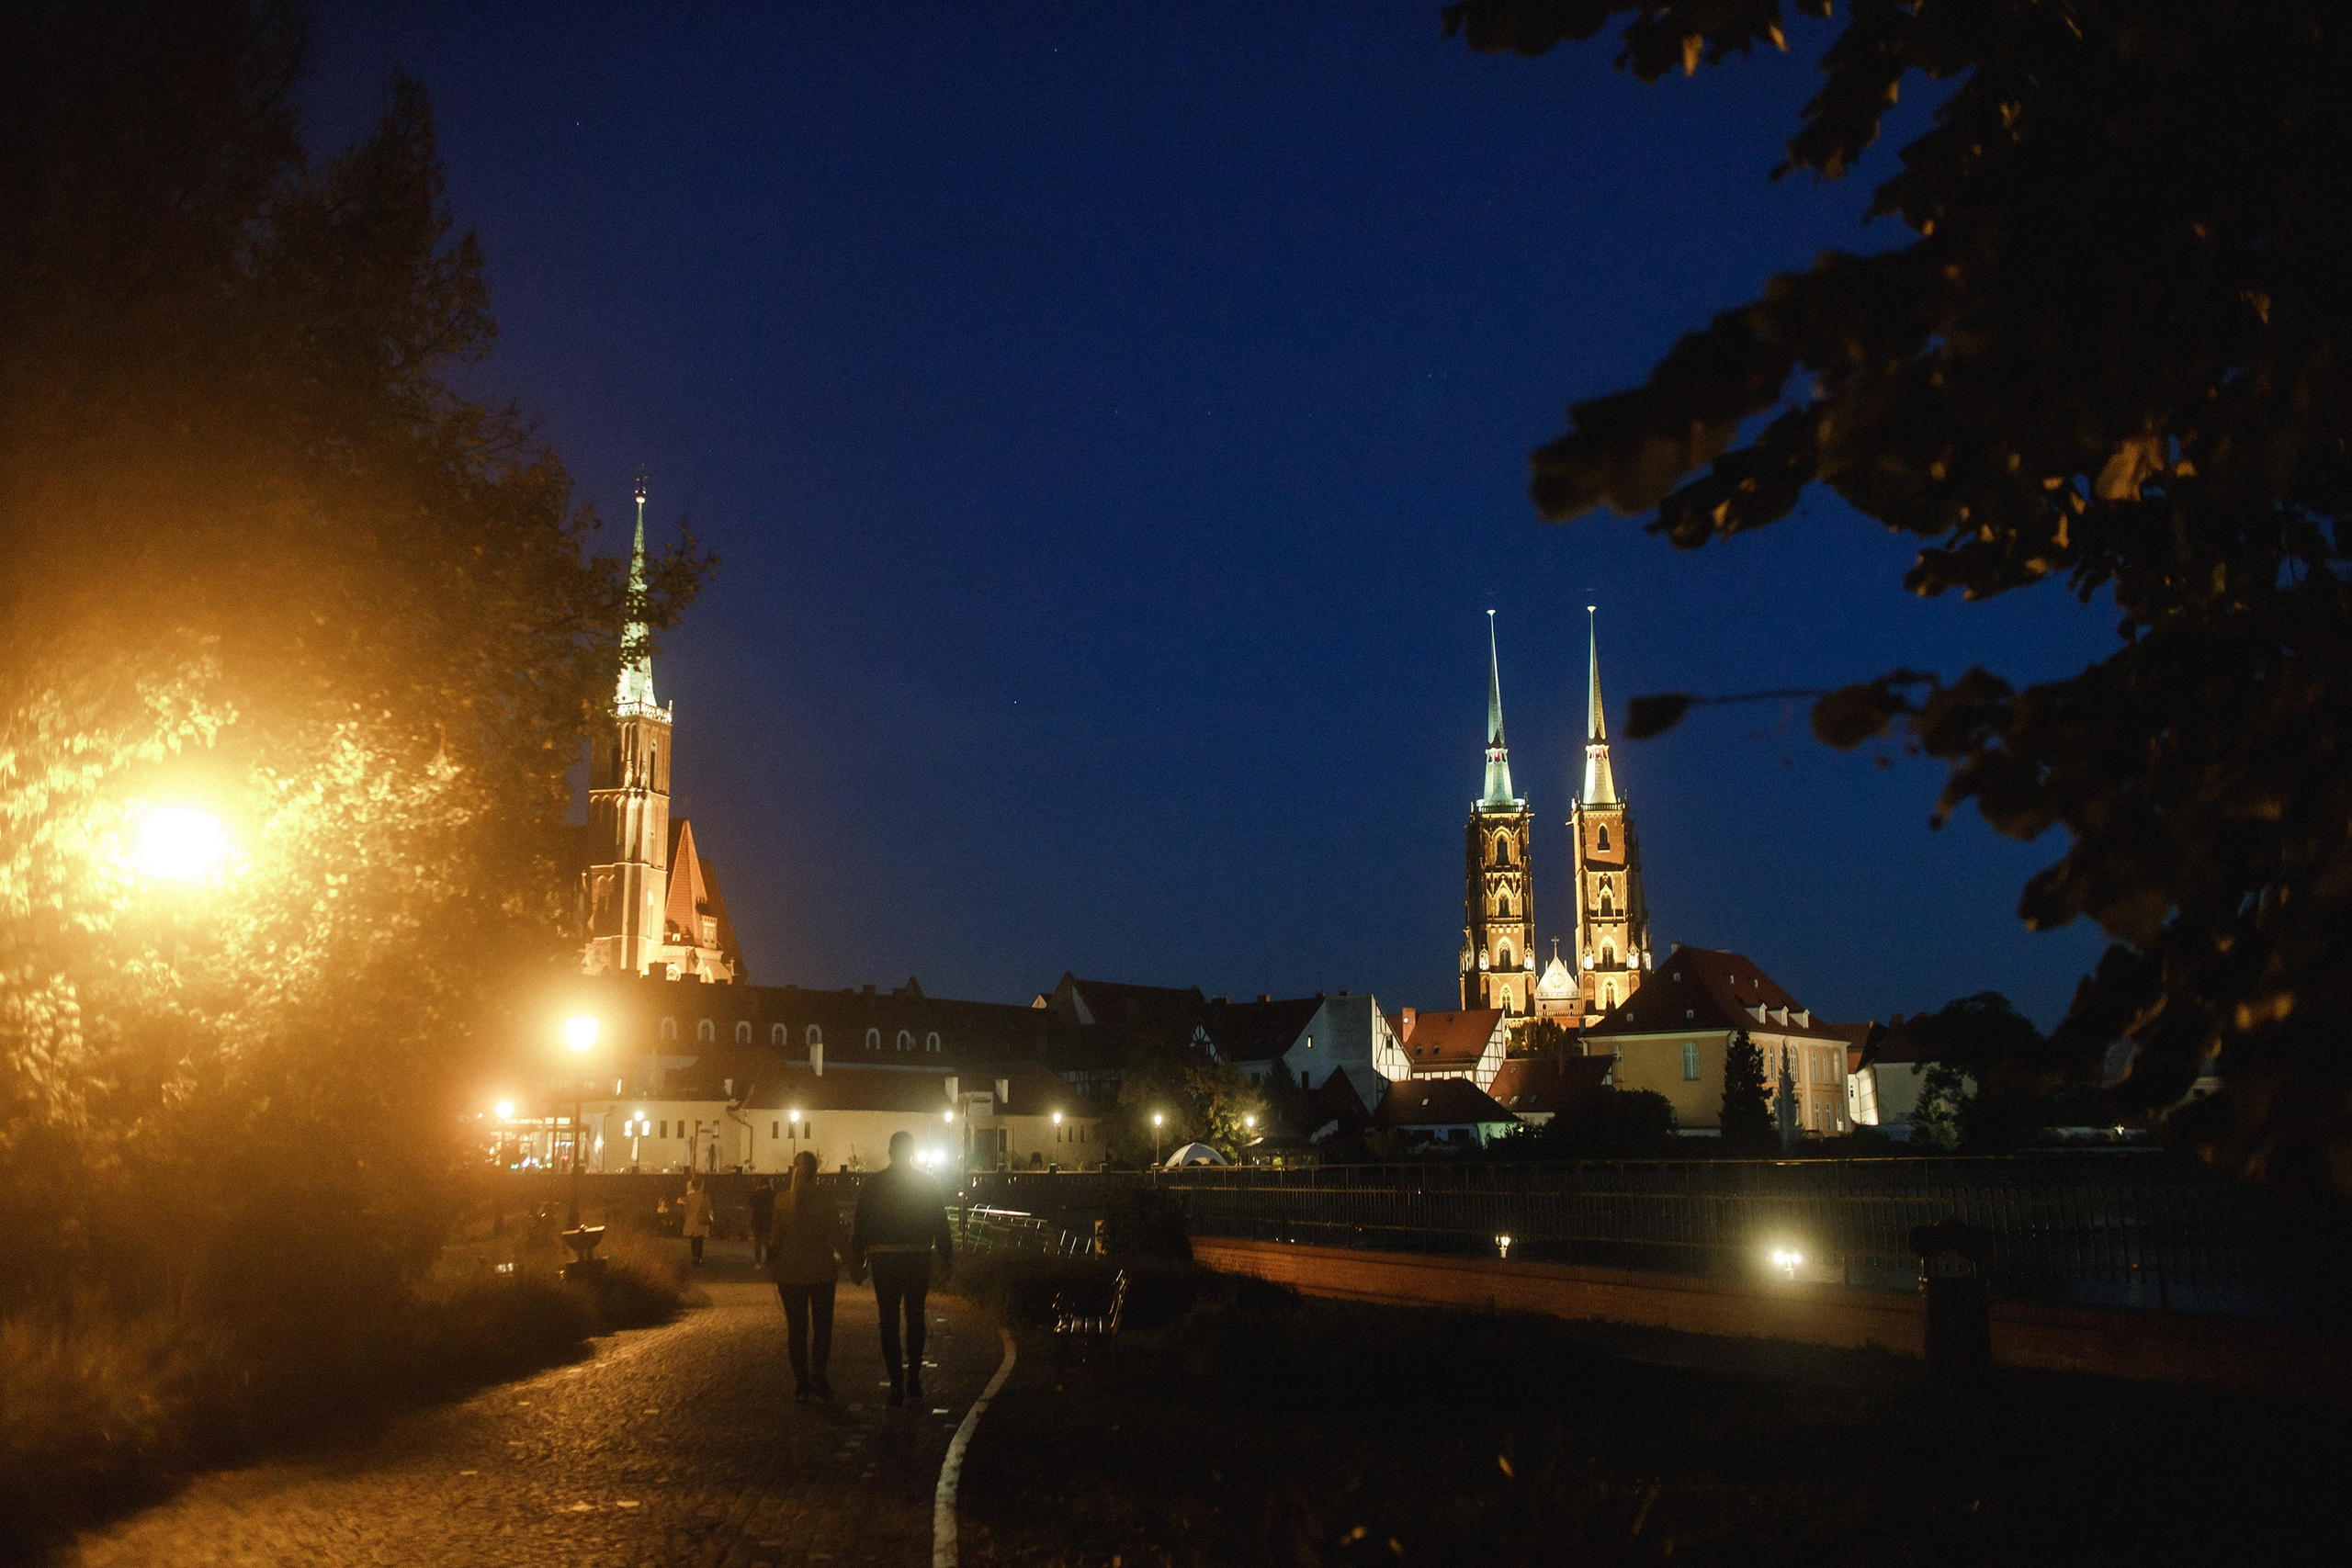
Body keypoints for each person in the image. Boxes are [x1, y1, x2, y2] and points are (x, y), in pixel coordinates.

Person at [849, 1129, 954, 1407]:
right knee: (916, 1317)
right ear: (911, 1152)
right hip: (918, 1257)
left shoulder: (872, 1186)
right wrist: (946, 1256)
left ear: (890, 1152)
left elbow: (860, 1227)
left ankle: (896, 1382)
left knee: (889, 1320)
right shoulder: (927, 1184)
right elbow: (939, 1222)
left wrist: (856, 1261)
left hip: (884, 1260)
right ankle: (914, 1376)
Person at [767, 1152, 842, 1401]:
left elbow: (775, 1241)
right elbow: (837, 1236)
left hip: (789, 1274)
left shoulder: (781, 1202)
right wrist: (854, 1264)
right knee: (822, 1328)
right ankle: (819, 1376)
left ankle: (801, 1383)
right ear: (816, 1172)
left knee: (796, 1330)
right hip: (821, 1272)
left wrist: (770, 1259)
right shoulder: (826, 1201)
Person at [680, 1178, 713, 1265]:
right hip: (701, 1219)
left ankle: (695, 1256)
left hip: (692, 1220)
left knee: (694, 1239)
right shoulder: (705, 1196)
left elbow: (686, 1210)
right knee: (700, 1239)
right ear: (701, 1186)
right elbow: (708, 1208)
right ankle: (699, 1257)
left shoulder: (690, 1197)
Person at [746, 1179, 778, 1267]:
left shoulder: (757, 1193)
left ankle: (758, 1262)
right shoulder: (772, 1193)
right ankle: (768, 1260)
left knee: (757, 1241)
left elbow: (750, 1203)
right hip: (768, 1219)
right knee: (767, 1240)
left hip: (757, 1220)